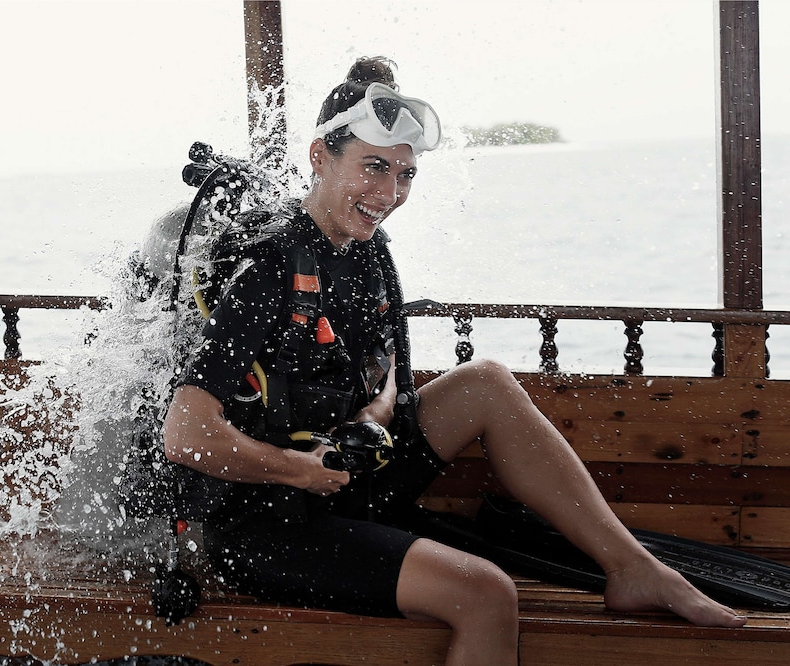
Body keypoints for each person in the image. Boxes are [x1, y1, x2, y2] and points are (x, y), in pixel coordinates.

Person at [162, 56, 747, 665]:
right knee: (486, 593)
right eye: (373, 167)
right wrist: (298, 470)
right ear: (320, 156)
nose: (390, 194)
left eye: (405, 175)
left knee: (485, 382)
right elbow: (185, 435)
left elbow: (387, 368)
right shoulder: (268, 269)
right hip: (269, 522)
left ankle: (633, 568)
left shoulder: (366, 253)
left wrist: (372, 418)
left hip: (346, 477)